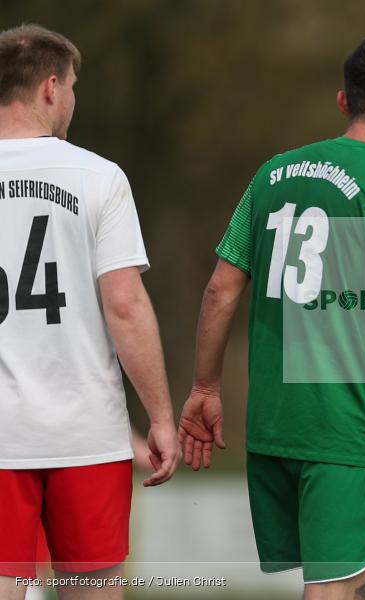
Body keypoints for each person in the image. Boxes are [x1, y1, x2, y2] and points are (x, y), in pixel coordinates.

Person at [178, 35, 365, 599]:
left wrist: (205, 386)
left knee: (345, 584)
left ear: (343, 101)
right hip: (344, 429)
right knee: (338, 586)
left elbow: (219, 290)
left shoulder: (272, 174)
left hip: (273, 428)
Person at [0, 24, 181, 600]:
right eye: (74, 85)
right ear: (51, 88)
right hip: (86, 435)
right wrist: (159, 416)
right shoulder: (98, 176)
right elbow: (124, 306)